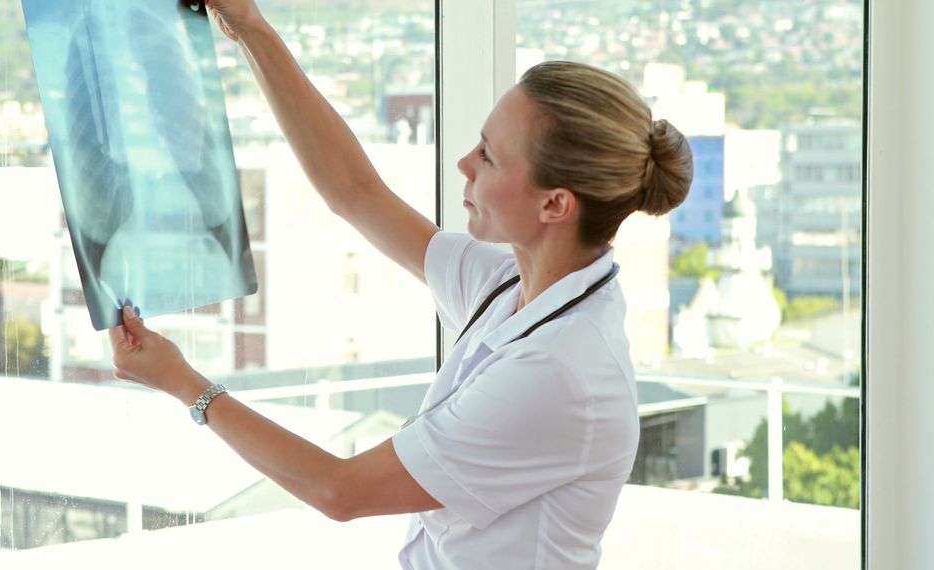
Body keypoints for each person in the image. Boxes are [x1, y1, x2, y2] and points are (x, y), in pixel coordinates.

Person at [108, 1, 694, 568]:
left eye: (488, 157)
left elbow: (339, 491)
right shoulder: (510, 285)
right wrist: (251, 29)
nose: (464, 163)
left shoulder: (561, 372)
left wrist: (185, 384)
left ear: (555, 204)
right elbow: (355, 193)